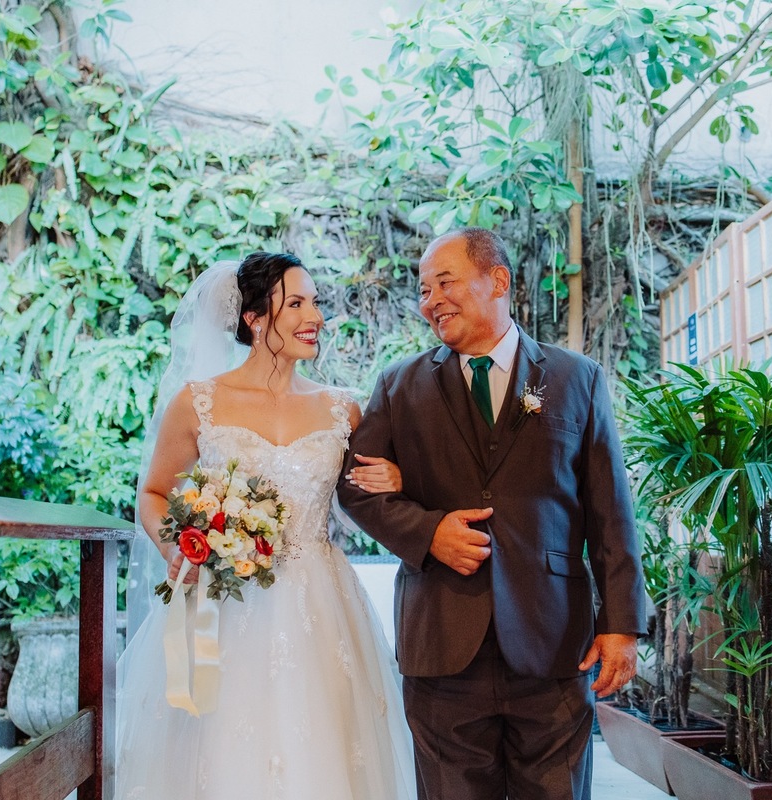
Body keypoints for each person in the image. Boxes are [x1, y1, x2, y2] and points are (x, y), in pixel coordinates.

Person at [338, 228, 647, 800]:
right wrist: (429, 532)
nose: (431, 299)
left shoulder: (577, 378)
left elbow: (610, 511)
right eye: (423, 289)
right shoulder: (400, 386)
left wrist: (622, 625)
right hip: (442, 644)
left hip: (554, 644)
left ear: (498, 280)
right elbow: (357, 488)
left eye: (444, 282)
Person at [116, 252, 417, 800]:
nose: (316, 317)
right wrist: (176, 548)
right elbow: (155, 493)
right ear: (255, 319)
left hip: (321, 605)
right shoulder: (199, 402)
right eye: (296, 303)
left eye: (315, 303)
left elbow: (367, 489)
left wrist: (395, 474)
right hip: (223, 606)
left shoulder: (342, 409)